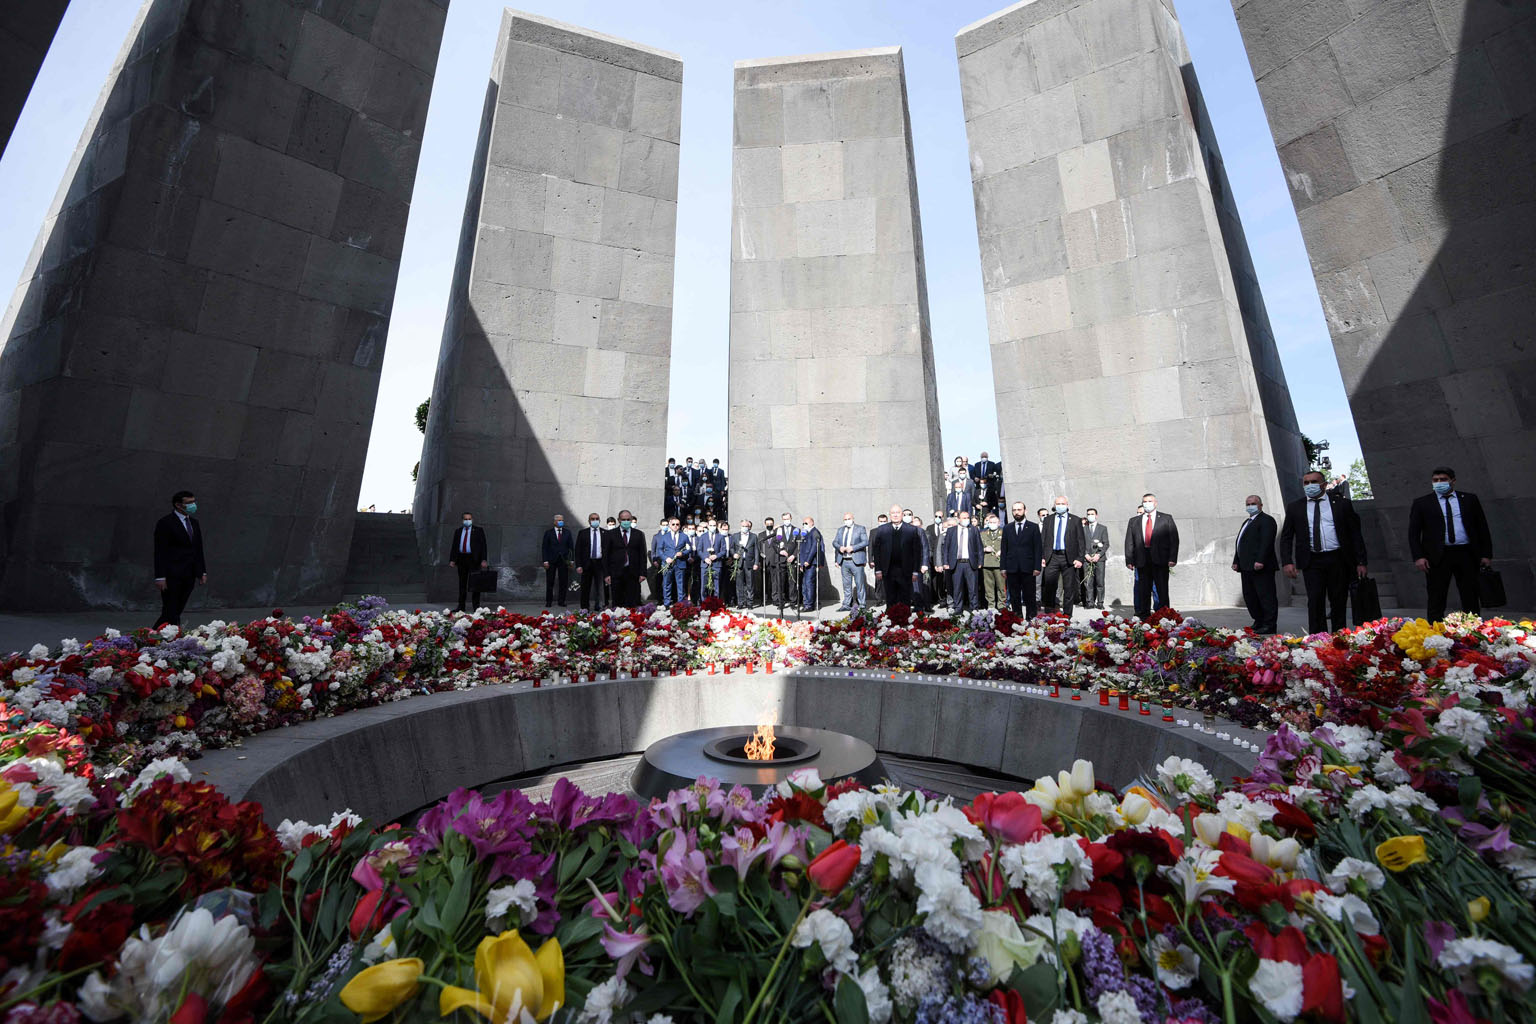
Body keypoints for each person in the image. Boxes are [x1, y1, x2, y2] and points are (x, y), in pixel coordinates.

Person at [1280, 471, 1367, 633]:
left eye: (1314, 482)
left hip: (1338, 559)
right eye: (1306, 483)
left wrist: (1361, 561)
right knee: (1315, 601)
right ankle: (1318, 638)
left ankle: (1339, 637)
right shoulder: (1295, 507)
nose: (1310, 485)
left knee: (1338, 600)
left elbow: (1355, 534)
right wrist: (1287, 561)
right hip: (1311, 560)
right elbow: (1286, 537)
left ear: (1324, 484)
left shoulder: (1342, 504)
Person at [1408, 465, 1493, 622]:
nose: (1439, 482)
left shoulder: (1469, 499)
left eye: (1443, 480)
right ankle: (1435, 634)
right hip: (1437, 556)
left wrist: (1486, 554)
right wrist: (1418, 556)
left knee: (1470, 596)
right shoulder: (1422, 503)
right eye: (1436, 480)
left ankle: (1472, 631)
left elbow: (1482, 527)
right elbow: (1413, 533)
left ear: (1453, 481)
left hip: (1466, 553)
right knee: (1436, 597)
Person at [153, 490, 207, 628]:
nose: (193, 505)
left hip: (189, 573)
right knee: (170, 610)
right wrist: (160, 576)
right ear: (178, 505)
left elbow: (198, 549)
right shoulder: (165, 523)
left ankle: (169, 637)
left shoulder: (194, 523)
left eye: (194, 502)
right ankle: (152, 636)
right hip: (172, 574)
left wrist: (201, 572)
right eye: (189, 503)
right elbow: (160, 551)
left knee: (177, 609)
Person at [1125, 493, 1179, 619]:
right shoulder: (1134, 521)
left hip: (1160, 559)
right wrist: (1129, 559)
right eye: (1144, 501)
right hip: (1142, 559)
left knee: (1162, 590)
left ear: (1155, 503)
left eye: (1149, 501)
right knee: (1143, 590)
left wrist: (1172, 558)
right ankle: (1144, 616)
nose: (1147, 503)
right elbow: (1129, 541)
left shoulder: (1166, 518)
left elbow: (1174, 539)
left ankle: (1164, 616)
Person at [1232, 495, 1280, 634]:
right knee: (1250, 596)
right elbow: (1240, 543)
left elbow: (1266, 542)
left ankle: (1269, 624)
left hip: (1261, 567)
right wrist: (1236, 561)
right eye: (1248, 504)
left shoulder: (1267, 521)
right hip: (1246, 567)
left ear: (1260, 505)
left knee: (1265, 596)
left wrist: (1261, 560)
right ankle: (1258, 621)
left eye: (1253, 503)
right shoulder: (1247, 522)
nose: (1250, 506)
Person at [1040, 496, 1085, 616]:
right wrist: (1042, 557)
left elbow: (1081, 541)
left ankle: (1067, 614)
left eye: (1062, 503)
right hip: (1052, 556)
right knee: (1049, 585)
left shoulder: (1075, 520)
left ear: (1067, 505)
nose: (1060, 505)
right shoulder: (1048, 520)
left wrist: (1080, 558)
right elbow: (1043, 539)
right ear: (1054, 505)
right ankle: (1049, 612)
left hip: (1068, 557)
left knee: (1069, 587)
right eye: (1058, 503)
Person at [874, 504, 922, 607]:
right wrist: (878, 570)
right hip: (888, 570)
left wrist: (915, 571)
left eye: (898, 513)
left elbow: (917, 552)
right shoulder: (882, 530)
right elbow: (876, 551)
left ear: (902, 514)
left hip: (905, 571)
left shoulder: (912, 530)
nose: (895, 515)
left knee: (905, 599)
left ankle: (905, 620)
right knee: (890, 599)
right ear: (890, 515)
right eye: (893, 513)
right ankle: (890, 621)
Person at [1000, 501, 1042, 618]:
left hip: (1028, 567)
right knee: (1014, 595)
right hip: (1012, 568)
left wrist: (1037, 567)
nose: (1017, 512)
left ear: (1025, 511)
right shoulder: (1007, 528)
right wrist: (1003, 567)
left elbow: (1038, 549)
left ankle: (1031, 618)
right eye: (1014, 510)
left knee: (1030, 595)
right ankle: (1017, 618)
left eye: (1019, 510)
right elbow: (1004, 549)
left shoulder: (1033, 527)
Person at [446, 510, 489, 613]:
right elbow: (454, 546)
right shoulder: (458, 531)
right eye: (465, 519)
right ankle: (461, 606)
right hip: (461, 559)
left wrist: (483, 559)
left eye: (469, 519)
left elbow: (483, 546)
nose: (467, 521)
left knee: (475, 584)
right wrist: (452, 559)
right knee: (462, 584)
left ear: (472, 520)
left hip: (474, 560)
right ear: (462, 520)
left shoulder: (478, 530)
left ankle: (476, 607)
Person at [941, 509, 982, 611]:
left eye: (968, 518)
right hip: (956, 564)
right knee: (957, 588)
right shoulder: (951, 531)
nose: (966, 520)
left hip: (970, 563)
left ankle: (974, 610)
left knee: (973, 589)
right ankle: (958, 609)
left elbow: (979, 547)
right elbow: (946, 548)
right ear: (958, 519)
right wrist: (945, 562)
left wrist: (980, 562)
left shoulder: (974, 530)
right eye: (964, 518)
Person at [604, 511, 647, 607]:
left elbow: (642, 555)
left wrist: (643, 573)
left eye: (628, 519)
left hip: (632, 572)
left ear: (631, 520)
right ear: (619, 520)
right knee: (617, 602)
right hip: (616, 573)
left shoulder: (639, 534)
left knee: (631, 602)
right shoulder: (610, 534)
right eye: (623, 519)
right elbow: (606, 555)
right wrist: (606, 574)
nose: (626, 521)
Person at [832, 512, 868, 612]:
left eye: (849, 519)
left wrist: (853, 548)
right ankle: (846, 604)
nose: (847, 521)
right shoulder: (840, 530)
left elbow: (865, 542)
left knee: (860, 584)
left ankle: (862, 605)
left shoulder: (860, 528)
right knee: (846, 584)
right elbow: (834, 542)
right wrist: (840, 547)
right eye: (845, 519)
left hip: (856, 561)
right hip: (844, 561)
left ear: (853, 519)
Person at [540, 513, 574, 608]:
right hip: (551, 560)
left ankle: (561, 601)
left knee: (563, 582)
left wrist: (571, 560)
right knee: (550, 581)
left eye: (562, 520)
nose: (561, 522)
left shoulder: (567, 532)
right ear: (554, 522)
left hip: (563, 560)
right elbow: (544, 547)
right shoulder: (548, 533)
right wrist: (545, 560)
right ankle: (549, 601)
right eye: (559, 520)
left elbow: (571, 547)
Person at [575, 513, 608, 612]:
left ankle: (599, 605)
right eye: (592, 519)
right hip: (587, 563)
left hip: (600, 563)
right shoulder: (583, 533)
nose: (595, 520)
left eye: (597, 519)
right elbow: (578, 550)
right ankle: (585, 606)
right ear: (589, 521)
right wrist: (579, 565)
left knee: (600, 586)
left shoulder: (605, 533)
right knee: (585, 586)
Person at [1081, 509, 1110, 611]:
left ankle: (1100, 602)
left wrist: (1098, 554)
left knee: (1100, 581)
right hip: (1087, 559)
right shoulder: (1083, 529)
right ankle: (1090, 602)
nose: (1090, 516)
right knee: (1088, 581)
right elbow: (1080, 543)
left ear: (1096, 515)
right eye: (1088, 514)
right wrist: (1085, 555)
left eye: (1092, 514)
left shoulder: (1102, 528)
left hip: (1099, 559)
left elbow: (1106, 543)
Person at [656, 518, 688, 604]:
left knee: (680, 585)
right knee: (667, 584)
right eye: (673, 524)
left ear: (680, 525)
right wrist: (666, 558)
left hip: (680, 563)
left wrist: (683, 553)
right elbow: (659, 550)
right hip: (668, 564)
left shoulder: (684, 536)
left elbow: (689, 548)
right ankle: (667, 602)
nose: (675, 526)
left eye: (677, 524)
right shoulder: (664, 537)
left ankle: (681, 604)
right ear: (670, 525)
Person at [797, 515, 825, 612]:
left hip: (811, 563)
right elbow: (802, 549)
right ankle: (806, 603)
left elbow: (814, 548)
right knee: (804, 584)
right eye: (803, 523)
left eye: (806, 523)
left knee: (809, 583)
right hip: (804, 563)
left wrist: (808, 561)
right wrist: (801, 563)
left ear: (812, 523)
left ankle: (809, 604)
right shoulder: (805, 533)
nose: (804, 525)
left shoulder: (815, 533)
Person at [730, 518, 759, 608]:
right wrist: (734, 554)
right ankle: (740, 602)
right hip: (739, 563)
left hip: (749, 562)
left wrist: (756, 563)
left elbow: (756, 550)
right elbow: (732, 548)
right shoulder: (735, 536)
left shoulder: (753, 536)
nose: (745, 528)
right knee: (739, 584)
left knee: (750, 584)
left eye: (746, 526)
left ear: (749, 527)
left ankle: (750, 603)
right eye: (743, 526)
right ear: (740, 526)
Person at [979, 511, 1004, 609]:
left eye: (994, 522)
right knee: (988, 587)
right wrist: (984, 549)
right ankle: (991, 605)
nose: (992, 524)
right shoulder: (983, 533)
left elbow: (1009, 545)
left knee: (1001, 586)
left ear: (999, 523)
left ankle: (1001, 605)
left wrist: (1003, 551)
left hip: (999, 563)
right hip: (987, 563)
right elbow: (976, 547)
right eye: (990, 522)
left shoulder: (1004, 532)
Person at [698, 519, 728, 600]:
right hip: (705, 565)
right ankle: (704, 603)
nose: (712, 527)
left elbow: (723, 551)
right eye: (711, 525)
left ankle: (715, 603)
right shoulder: (703, 536)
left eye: (714, 525)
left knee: (716, 586)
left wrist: (716, 556)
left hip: (716, 565)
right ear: (707, 526)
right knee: (704, 586)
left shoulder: (720, 537)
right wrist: (705, 558)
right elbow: (699, 550)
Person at [773, 513, 798, 610]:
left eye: (787, 519)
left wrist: (794, 555)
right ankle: (781, 602)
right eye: (784, 519)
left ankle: (793, 602)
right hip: (781, 560)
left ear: (791, 518)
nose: (786, 521)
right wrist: (780, 551)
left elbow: (798, 545)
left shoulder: (796, 530)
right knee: (780, 582)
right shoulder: (778, 530)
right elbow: (774, 544)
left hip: (791, 560)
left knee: (792, 582)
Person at [912, 514, 933, 612]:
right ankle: (918, 605)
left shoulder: (925, 533)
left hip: (923, 564)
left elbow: (927, 549)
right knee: (917, 586)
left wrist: (925, 564)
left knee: (925, 585)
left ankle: (927, 605)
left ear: (921, 525)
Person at [970, 452, 1001, 516]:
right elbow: (973, 474)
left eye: (985, 457)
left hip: (989, 484)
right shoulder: (977, 464)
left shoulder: (992, 464)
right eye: (983, 457)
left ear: (987, 457)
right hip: (979, 484)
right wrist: (975, 478)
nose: (984, 458)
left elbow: (995, 474)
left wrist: (992, 475)